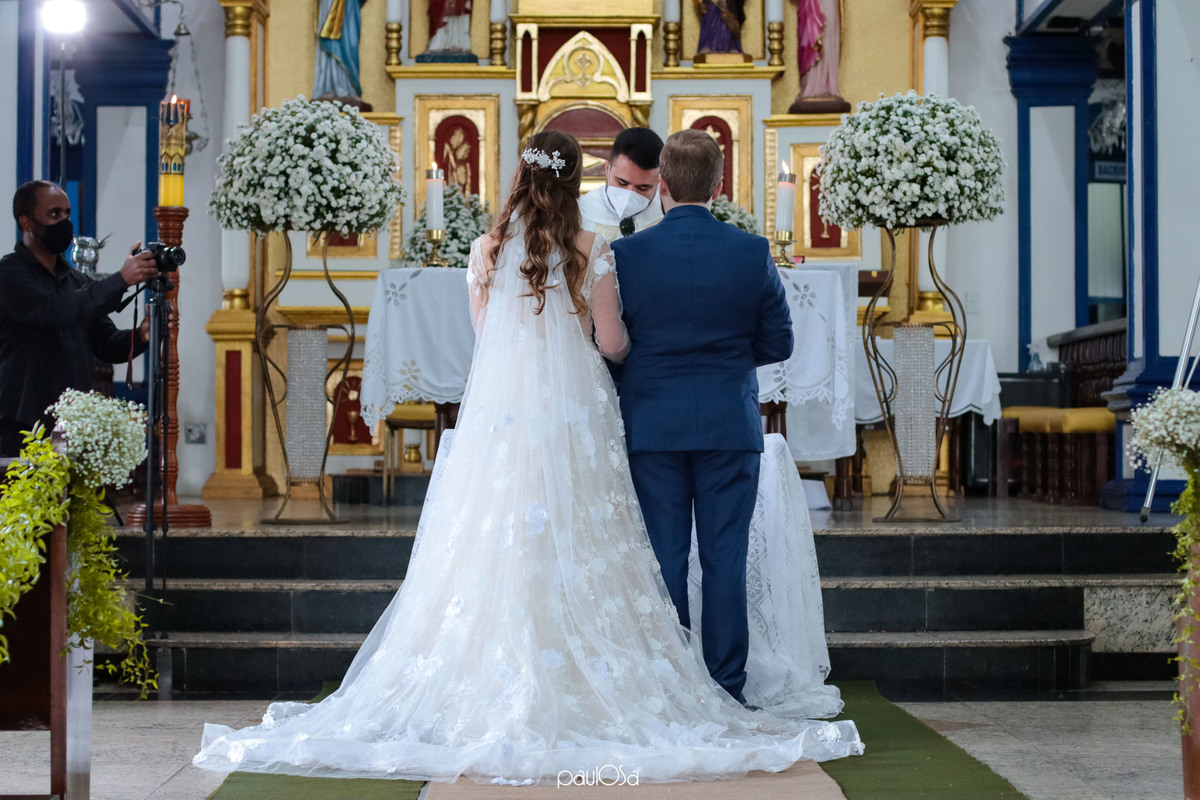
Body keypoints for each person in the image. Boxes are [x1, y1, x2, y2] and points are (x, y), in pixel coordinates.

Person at [194, 131, 861, 785]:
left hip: (535, 420)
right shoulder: (632, 250)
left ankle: (554, 675)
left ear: (661, 183)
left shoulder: (507, 249)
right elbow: (653, 342)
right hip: (666, 419)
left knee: (581, 551)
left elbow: (496, 340)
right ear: (715, 185)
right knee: (702, 557)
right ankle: (713, 685)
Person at [611, 129, 793, 706]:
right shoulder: (752, 251)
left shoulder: (626, 254)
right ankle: (727, 688)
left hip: (653, 423)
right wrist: (726, 360)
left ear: (661, 184)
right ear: (719, 185)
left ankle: (672, 691)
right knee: (725, 560)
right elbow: (780, 342)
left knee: (663, 558)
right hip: (728, 423)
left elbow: (610, 344)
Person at [0, 181, 160, 456]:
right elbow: (53, 310)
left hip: (73, 423)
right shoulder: (9, 273)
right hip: (23, 422)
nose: (64, 222)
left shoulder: (76, 280)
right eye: (54, 214)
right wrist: (121, 279)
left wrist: (141, 335)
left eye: (67, 213)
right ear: (27, 222)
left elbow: (106, 343)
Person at [579, 127, 664, 243]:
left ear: (659, 179)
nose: (630, 194)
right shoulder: (581, 214)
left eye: (643, 187)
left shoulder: (667, 215)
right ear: (607, 168)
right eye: (622, 183)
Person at [314, 0, 368, 104]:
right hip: (329, 4)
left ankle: (348, 88)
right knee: (330, 40)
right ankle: (327, 87)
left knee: (351, 42)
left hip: (349, 5)